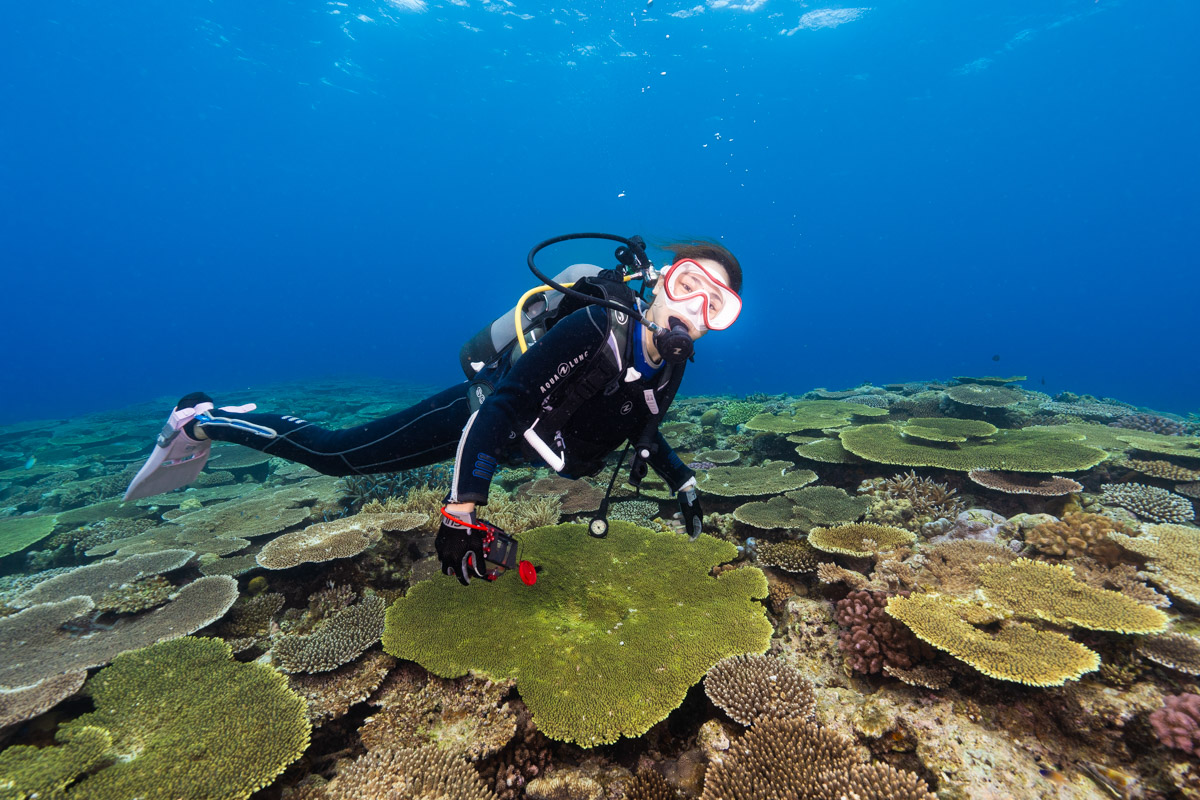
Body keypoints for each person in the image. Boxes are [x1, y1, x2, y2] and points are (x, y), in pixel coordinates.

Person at [125, 238, 743, 586]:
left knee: (341, 456)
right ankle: (202, 419)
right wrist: (461, 510)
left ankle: (207, 419)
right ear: (662, 281)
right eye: (690, 284)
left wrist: (680, 477)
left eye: (718, 306)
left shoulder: (671, 369)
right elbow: (504, 408)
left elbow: (641, 427)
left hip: (512, 445)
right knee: (337, 455)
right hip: (474, 421)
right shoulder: (592, 327)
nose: (696, 310)